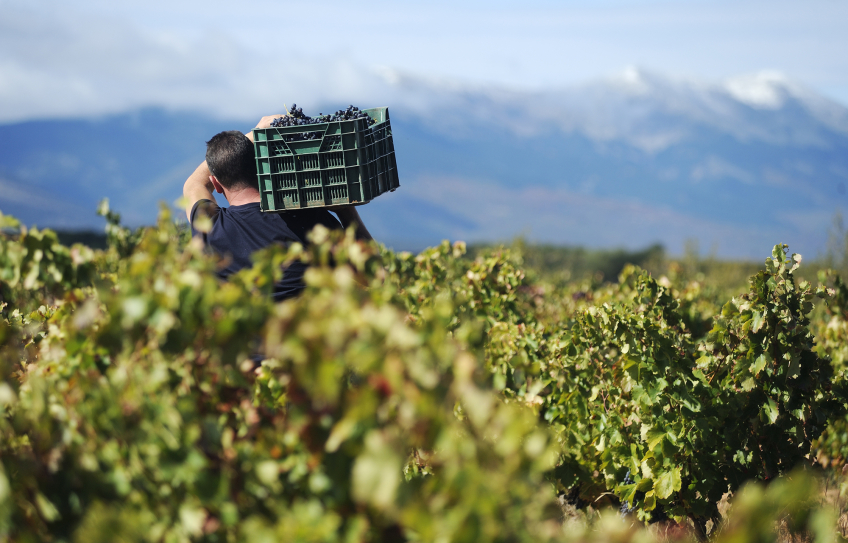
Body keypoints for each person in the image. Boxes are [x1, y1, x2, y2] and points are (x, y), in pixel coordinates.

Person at [183, 114, 373, 301]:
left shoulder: (209, 228)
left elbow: (193, 184)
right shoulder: (313, 221)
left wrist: (253, 135)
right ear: (262, 167)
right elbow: (373, 275)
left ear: (215, 185)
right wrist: (346, 211)